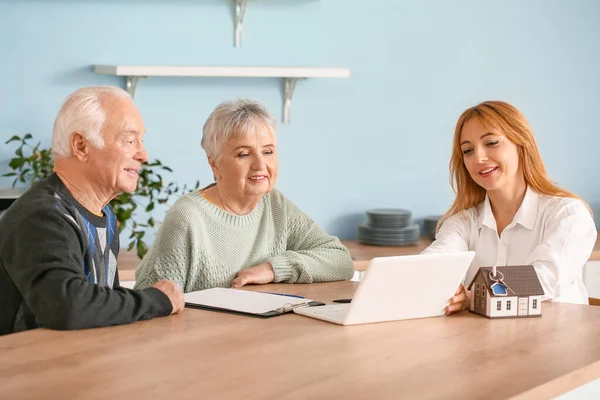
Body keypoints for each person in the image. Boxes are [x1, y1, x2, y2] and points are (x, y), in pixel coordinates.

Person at [0, 86, 184, 335]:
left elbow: (105, 305)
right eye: (130, 141)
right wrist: (155, 300)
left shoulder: (104, 215)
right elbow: (67, 306)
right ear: (81, 146)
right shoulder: (43, 216)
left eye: (141, 141)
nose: (143, 154)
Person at [134, 98, 354, 292]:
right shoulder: (187, 218)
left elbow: (340, 259)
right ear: (214, 164)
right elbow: (151, 302)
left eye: (268, 152)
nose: (260, 165)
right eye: (244, 154)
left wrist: (272, 269)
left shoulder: (274, 204)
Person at [423, 101, 597, 313]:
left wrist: (477, 296)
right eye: (468, 150)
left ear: (521, 144)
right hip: (483, 342)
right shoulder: (462, 223)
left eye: (492, 143)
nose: (478, 157)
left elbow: (544, 277)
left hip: (556, 341)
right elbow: (433, 264)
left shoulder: (568, 214)